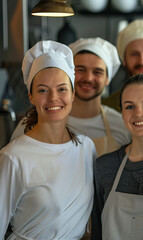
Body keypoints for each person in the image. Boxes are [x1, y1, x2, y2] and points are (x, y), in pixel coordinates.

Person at [0, 40, 96, 239]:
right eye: (43, 90)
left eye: (62, 89)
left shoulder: (86, 148)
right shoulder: (13, 157)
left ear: (72, 95)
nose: (53, 98)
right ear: (31, 96)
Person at [9, 37, 131, 156]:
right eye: (81, 70)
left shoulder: (122, 125)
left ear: (107, 79)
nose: (88, 78)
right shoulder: (31, 126)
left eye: (97, 72)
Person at [92, 74, 143, 240]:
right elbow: (96, 233)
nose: (138, 113)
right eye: (129, 107)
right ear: (121, 113)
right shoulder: (104, 167)